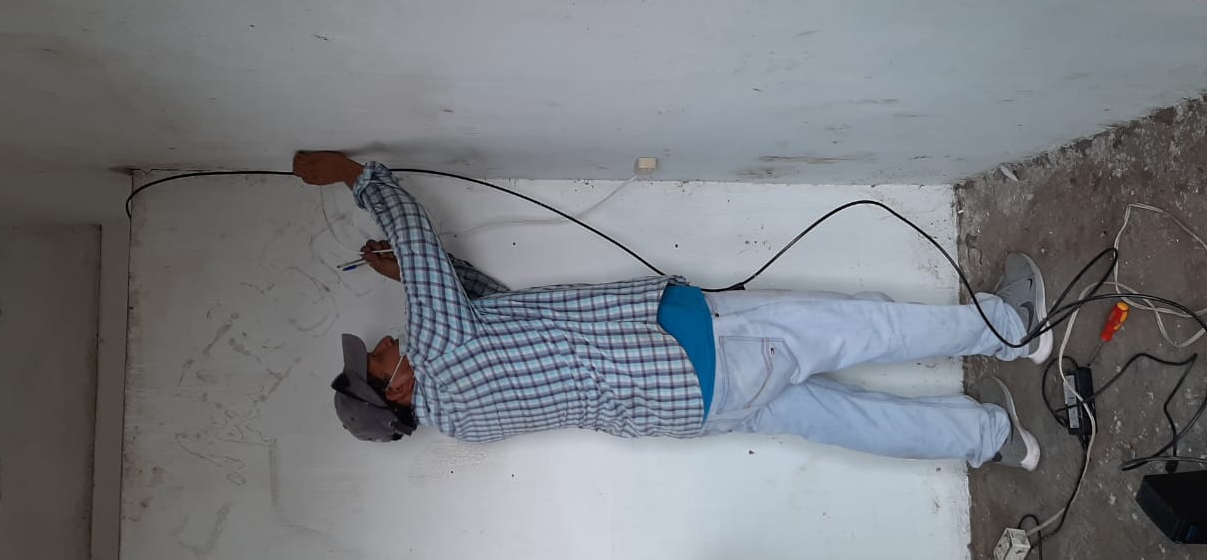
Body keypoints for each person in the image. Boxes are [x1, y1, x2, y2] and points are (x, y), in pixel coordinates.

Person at [294, 150, 1053, 471]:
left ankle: (996, 439)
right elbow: (416, 233)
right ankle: (1012, 331)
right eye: (378, 360)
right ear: (395, 389)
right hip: (694, 344)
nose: (385, 343)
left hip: (688, 407)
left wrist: (422, 274)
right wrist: (355, 176)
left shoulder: (461, 418)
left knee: (849, 422)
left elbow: (509, 318)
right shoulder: (437, 348)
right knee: (863, 326)